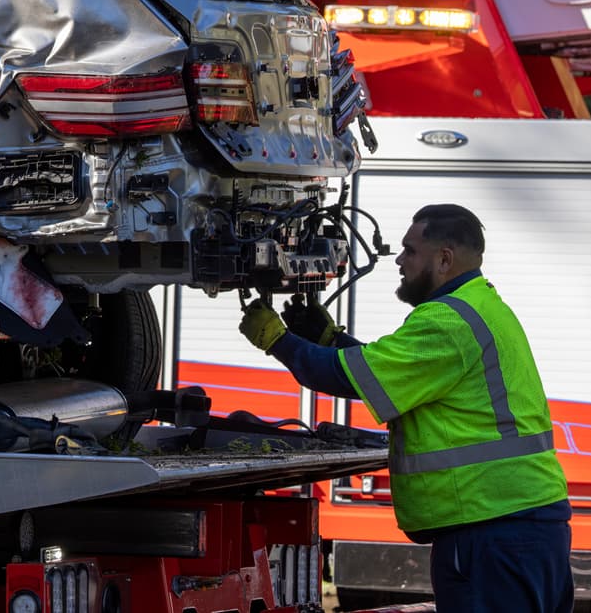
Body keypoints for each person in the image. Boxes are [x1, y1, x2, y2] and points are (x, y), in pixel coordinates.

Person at [238, 203, 572, 613]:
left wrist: (278, 340)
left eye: (410, 251)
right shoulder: (480, 306)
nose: (399, 260)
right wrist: (328, 339)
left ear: (444, 258)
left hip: (491, 532)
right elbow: (386, 372)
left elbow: (345, 377)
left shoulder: (447, 322)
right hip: (517, 527)